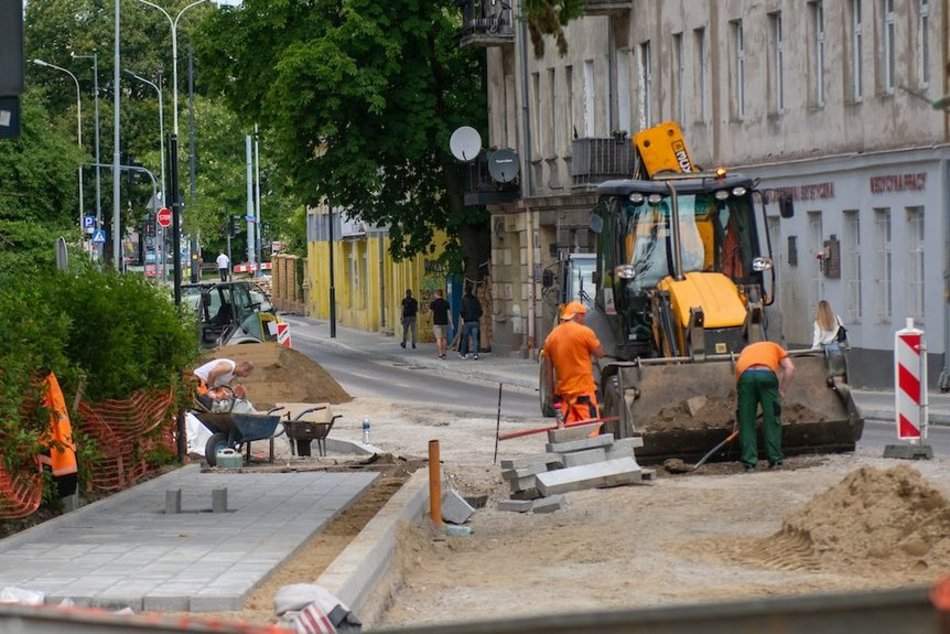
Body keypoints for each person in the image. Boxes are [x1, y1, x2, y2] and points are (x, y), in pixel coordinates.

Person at [734, 341, 795, 471]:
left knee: (746, 421)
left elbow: (738, 374)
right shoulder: (775, 347)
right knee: (772, 419)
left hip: (745, 377)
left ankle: (749, 463)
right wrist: (782, 391)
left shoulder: (746, 350)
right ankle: (775, 460)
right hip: (766, 377)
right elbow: (790, 368)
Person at [541, 301, 605, 425]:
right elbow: (600, 353)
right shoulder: (585, 332)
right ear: (577, 316)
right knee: (590, 430)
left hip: (563, 397)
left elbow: (548, 371)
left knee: (568, 432)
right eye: (583, 317)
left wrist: (552, 394)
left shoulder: (550, 338)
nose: (584, 321)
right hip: (584, 394)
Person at [458, 284, 483, 360]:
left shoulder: (463, 300)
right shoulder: (476, 300)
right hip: (475, 321)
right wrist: (477, 316)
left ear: (465, 291)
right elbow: (480, 311)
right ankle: (475, 354)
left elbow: (462, 311)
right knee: (475, 338)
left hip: (467, 321)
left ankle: (463, 354)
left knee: (465, 338)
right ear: (472, 290)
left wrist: (463, 317)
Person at [429, 288, 452, 359]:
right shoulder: (446, 303)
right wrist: (451, 322)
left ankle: (440, 354)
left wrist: (428, 320)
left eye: (434, 294)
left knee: (438, 338)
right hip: (444, 322)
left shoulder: (433, 303)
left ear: (437, 294)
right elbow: (449, 314)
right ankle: (444, 353)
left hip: (437, 323)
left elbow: (429, 313)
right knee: (444, 338)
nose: (434, 295)